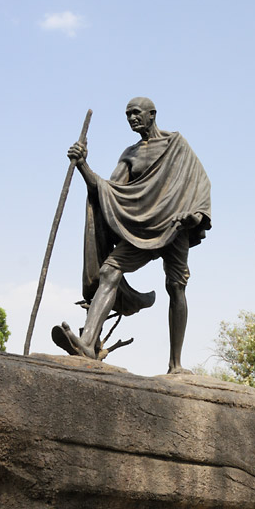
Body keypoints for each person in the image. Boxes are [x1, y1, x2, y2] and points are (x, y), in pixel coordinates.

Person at [52, 97, 211, 373]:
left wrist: (195, 215)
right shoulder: (130, 154)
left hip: (174, 226)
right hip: (141, 228)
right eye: (127, 115)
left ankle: (175, 365)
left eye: (136, 113)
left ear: (152, 115)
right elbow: (107, 190)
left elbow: (200, 182)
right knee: (109, 271)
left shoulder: (176, 144)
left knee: (176, 287)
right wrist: (83, 165)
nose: (132, 119)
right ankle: (87, 344)